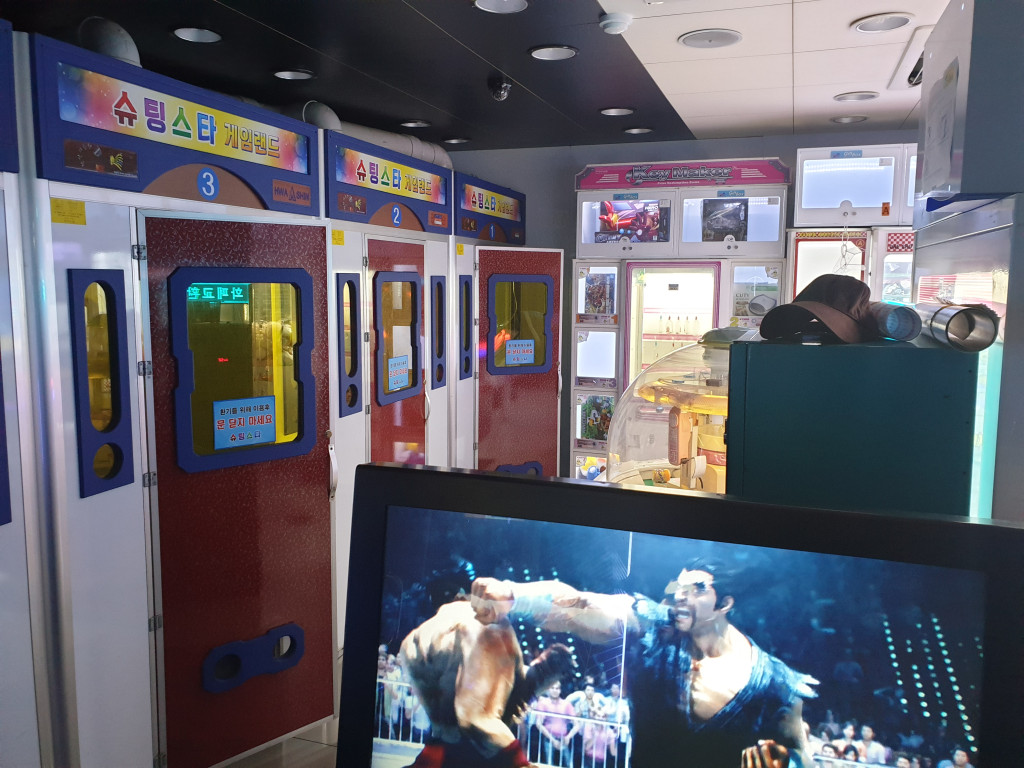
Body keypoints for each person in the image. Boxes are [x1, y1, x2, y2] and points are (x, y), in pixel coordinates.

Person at [471, 557, 819, 767]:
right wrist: (514, 595)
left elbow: (802, 756)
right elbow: (581, 605)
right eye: (679, 587)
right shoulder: (654, 625)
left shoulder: (774, 682)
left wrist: (788, 764)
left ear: (724, 604)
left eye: (697, 589)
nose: (681, 596)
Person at [399, 595, 575, 768]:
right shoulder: (500, 652)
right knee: (466, 727)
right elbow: (475, 719)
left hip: (424, 644)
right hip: (451, 637)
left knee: (449, 732)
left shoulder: (501, 653)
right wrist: (521, 763)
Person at [534, 679, 580, 766]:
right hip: (548, 738)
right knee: (549, 764)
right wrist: (552, 739)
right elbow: (538, 724)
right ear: (548, 689)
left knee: (569, 764)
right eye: (552, 688)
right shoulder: (543, 703)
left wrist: (568, 737)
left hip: (563, 738)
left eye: (557, 688)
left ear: (560, 690)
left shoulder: (566, 704)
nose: (555, 691)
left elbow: (577, 725)